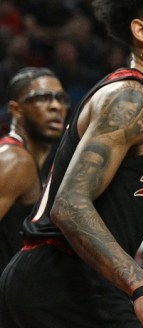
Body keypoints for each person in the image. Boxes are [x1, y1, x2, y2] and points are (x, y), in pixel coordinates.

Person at [0, 0, 143, 328]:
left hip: (68, 280)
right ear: (142, 31)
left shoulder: (142, 106)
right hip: (61, 279)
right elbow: (69, 203)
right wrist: (142, 285)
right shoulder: (130, 99)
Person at [0, 67, 67, 269]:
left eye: (60, 98)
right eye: (42, 98)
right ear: (16, 109)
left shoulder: (32, 161)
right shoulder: (15, 160)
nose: (56, 106)